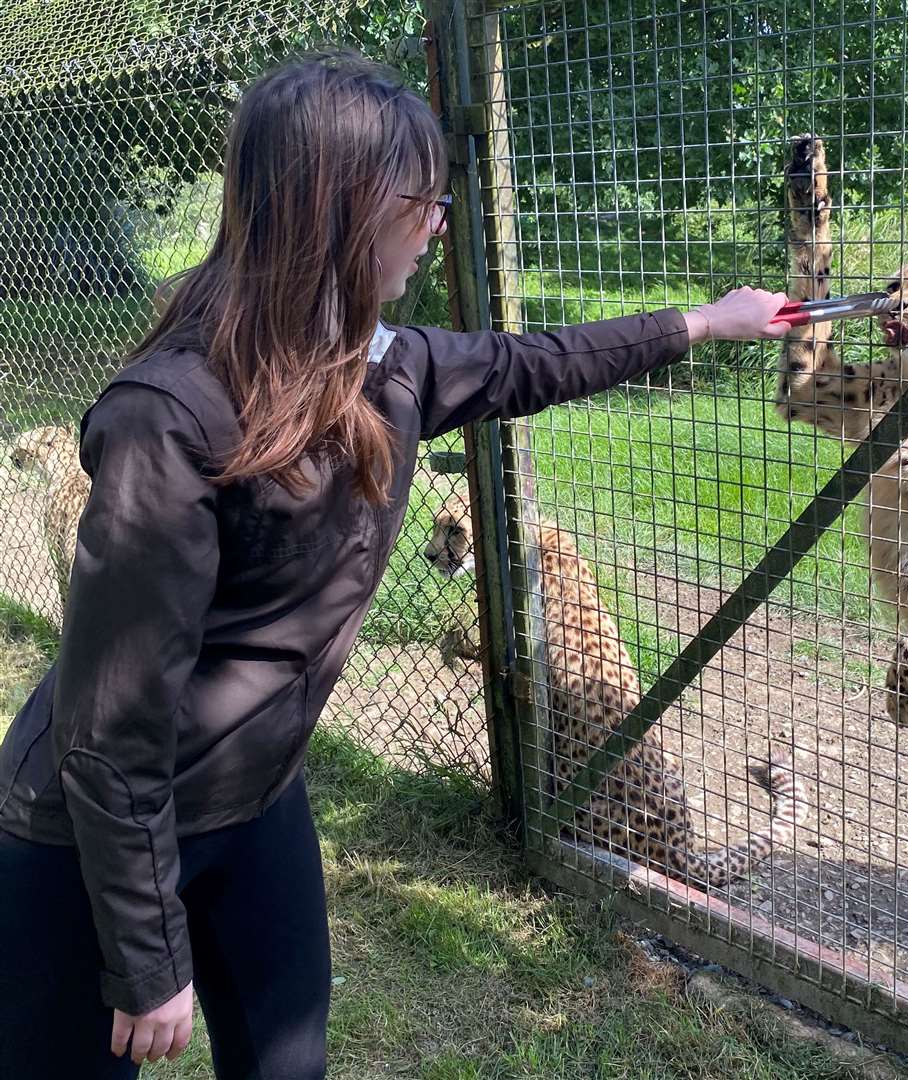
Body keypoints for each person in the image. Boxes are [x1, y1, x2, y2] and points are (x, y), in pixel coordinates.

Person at [0, 50, 789, 1078]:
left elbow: (532, 362)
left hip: (255, 798)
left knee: (289, 1064)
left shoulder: (379, 363)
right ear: (337, 213)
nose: (439, 223)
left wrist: (705, 322)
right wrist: (147, 960)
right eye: (422, 200)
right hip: (98, 838)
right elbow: (113, 730)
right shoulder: (171, 416)